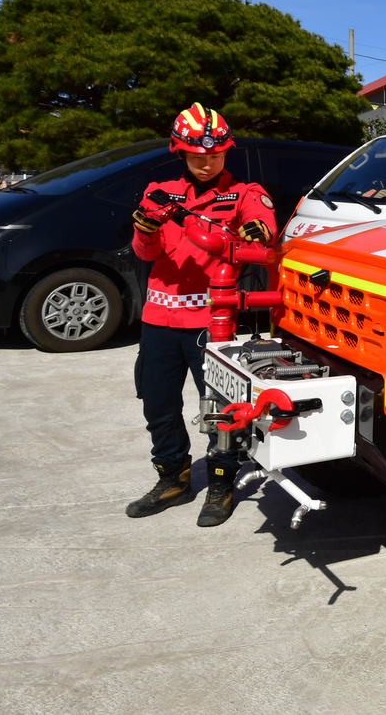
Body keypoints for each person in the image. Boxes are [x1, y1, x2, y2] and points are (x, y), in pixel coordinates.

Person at [125, 103, 276, 527]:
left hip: (212, 322)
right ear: (180, 152)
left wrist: (257, 231)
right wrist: (144, 230)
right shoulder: (159, 191)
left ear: (226, 151)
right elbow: (145, 253)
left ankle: (221, 484)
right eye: (196, 156)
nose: (206, 163)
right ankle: (172, 479)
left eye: (215, 154)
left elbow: (263, 224)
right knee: (157, 404)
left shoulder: (244, 193)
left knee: (220, 408)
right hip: (158, 319)